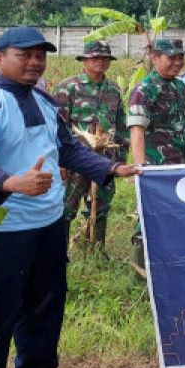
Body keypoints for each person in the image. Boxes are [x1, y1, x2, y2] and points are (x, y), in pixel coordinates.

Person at [0, 26, 138, 368]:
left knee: (43, 303)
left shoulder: (45, 101)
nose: (35, 62)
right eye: (24, 54)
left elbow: (66, 148)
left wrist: (110, 168)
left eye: (41, 55)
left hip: (46, 223)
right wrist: (11, 182)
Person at [127, 38, 185, 269]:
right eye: (171, 58)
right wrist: (141, 167)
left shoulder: (180, 86)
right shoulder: (144, 90)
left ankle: (172, 262)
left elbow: (184, 125)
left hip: (181, 164)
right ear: (154, 57)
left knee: (177, 213)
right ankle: (140, 269)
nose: (177, 62)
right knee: (149, 216)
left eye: (180, 57)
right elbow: (137, 131)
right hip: (156, 166)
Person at [52, 40, 128, 249]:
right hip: (75, 159)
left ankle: (95, 248)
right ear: (84, 60)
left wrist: (120, 159)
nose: (101, 62)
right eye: (95, 58)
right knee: (66, 206)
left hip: (105, 160)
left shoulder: (113, 90)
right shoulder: (67, 88)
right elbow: (56, 126)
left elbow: (121, 124)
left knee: (101, 203)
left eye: (105, 58)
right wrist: (59, 160)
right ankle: (59, 252)